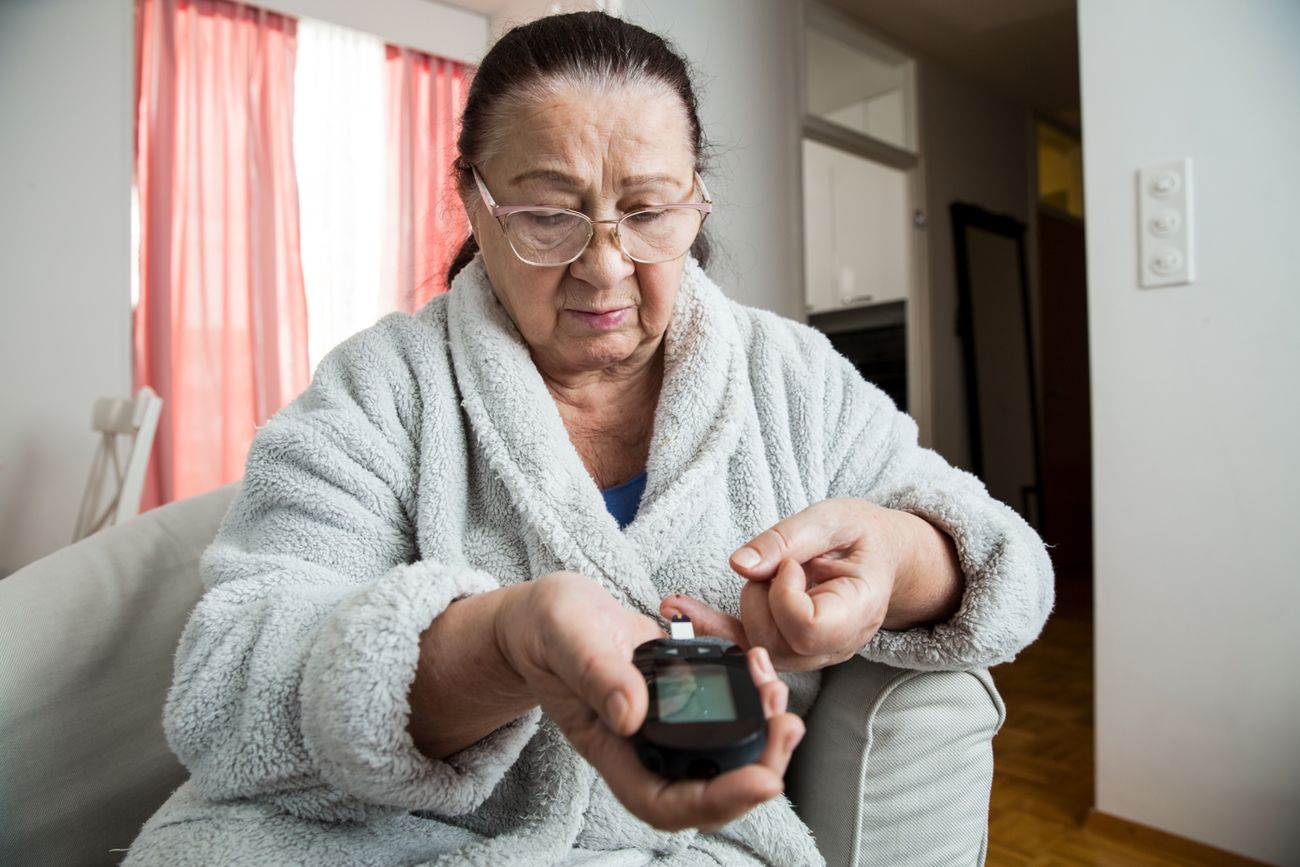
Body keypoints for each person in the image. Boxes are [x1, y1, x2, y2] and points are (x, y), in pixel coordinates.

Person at [126, 11, 1053, 866]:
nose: (604, 268)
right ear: (475, 202)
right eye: (546, 215)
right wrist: (508, 644)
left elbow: (1006, 566)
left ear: (697, 201)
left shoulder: (790, 378)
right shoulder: (381, 389)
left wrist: (895, 559)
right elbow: (228, 692)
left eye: (648, 213)